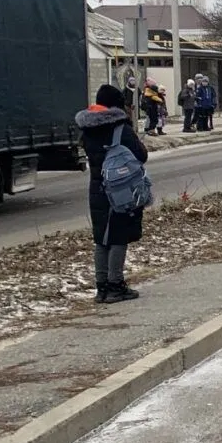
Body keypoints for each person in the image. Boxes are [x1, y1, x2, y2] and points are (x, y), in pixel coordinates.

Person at [76, 84, 148, 305]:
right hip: (120, 190)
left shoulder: (87, 129)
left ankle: (102, 288)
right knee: (118, 237)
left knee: (101, 239)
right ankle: (116, 286)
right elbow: (141, 155)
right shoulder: (121, 129)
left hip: (96, 189)